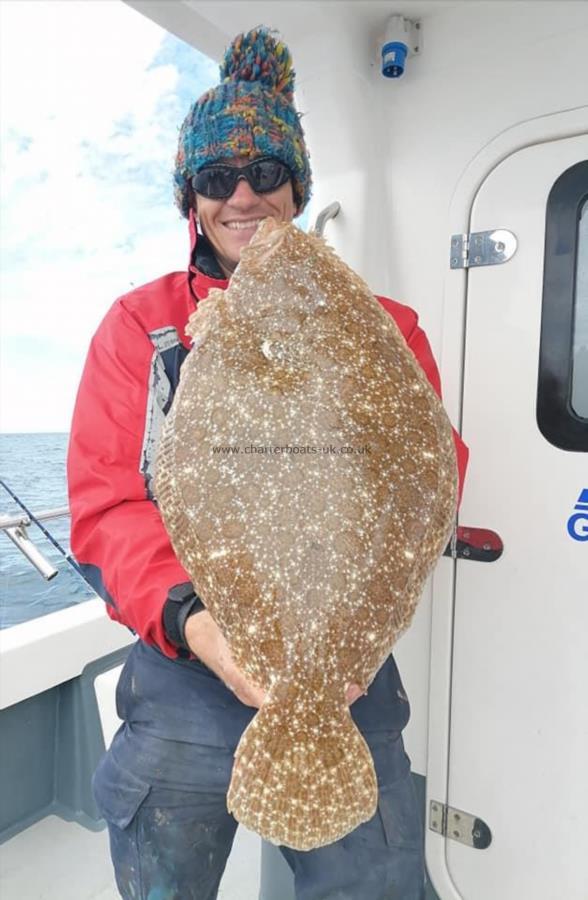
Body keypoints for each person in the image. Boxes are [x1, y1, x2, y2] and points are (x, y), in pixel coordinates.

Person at [67, 26, 469, 900]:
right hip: (182, 677)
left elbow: (427, 476)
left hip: (344, 679)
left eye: (266, 174)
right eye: (217, 179)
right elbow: (106, 508)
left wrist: (354, 640)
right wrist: (201, 628)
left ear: (298, 188)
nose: (243, 196)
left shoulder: (385, 325)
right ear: (192, 199)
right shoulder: (142, 325)